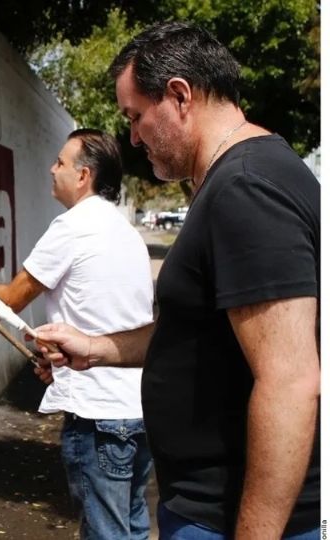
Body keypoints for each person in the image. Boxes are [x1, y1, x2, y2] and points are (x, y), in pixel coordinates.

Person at [34, 21, 320, 540]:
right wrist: (94, 347)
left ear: (180, 95)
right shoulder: (237, 179)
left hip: (228, 517)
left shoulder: (246, 187)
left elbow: (292, 380)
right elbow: (199, 331)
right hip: (202, 506)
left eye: (136, 117)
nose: (133, 137)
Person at [0, 129, 155, 539]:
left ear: (83, 176)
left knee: (107, 533)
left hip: (99, 417)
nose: (51, 169)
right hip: (140, 408)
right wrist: (58, 358)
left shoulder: (71, 227)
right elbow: (110, 316)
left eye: (60, 162)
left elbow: (11, 300)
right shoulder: (126, 231)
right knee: (133, 527)